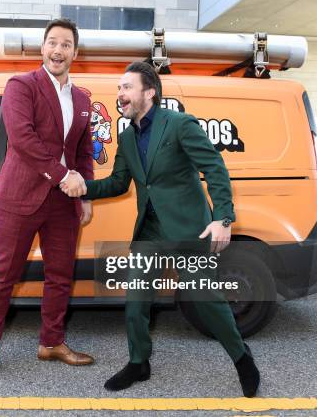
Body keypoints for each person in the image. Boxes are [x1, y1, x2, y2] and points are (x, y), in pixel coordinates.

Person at [61, 61, 260, 397]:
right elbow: (118, 184)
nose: (119, 93)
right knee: (136, 300)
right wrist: (83, 186)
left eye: (126, 87)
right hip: (150, 230)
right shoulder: (125, 138)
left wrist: (223, 218)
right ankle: (140, 363)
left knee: (207, 299)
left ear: (149, 92)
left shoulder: (180, 124)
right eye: (119, 88)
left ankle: (243, 359)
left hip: (188, 229)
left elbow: (215, 169)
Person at [0, 18, 95, 387]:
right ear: (43, 48)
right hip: (21, 197)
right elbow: (22, 140)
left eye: (66, 44)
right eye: (52, 43)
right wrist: (64, 176)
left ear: (75, 53)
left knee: (61, 276)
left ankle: (51, 342)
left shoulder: (82, 99)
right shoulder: (21, 85)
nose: (58, 50)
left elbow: (82, 153)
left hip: (63, 204)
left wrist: (86, 193)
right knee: (3, 277)